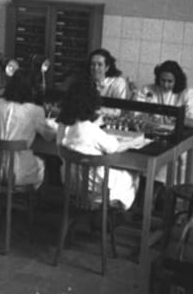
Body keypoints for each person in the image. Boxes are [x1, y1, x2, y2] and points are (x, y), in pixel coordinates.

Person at [56, 78, 139, 209]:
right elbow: (114, 147)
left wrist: (95, 125)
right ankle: (111, 219)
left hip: (72, 185)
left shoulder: (63, 125)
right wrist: (133, 142)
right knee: (132, 176)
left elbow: (80, 134)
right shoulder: (91, 130)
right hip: (96, 190)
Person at [0, 71, 56, 188]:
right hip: (18, 172)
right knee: (42, 165)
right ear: (31, 90)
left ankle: (6, 198)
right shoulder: (34, 110)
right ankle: (28, 202)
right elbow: (49, 136)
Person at [136, 60, 193, 129]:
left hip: (178, 137)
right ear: (158, 78)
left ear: (177, 80)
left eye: (170, 81)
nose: (165, 85)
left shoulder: (188, 93)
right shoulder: (147, 89)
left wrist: (176, 120)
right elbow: (135, 114)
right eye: (163, 80)